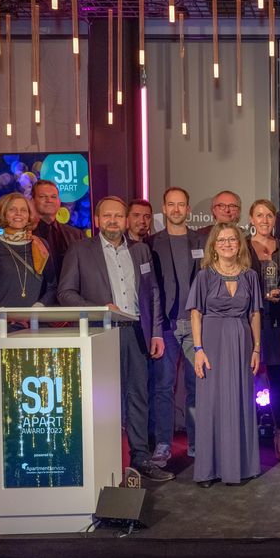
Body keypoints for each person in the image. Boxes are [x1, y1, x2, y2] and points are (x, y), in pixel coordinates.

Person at [58, 196, 171, 482]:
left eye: (118, 216)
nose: (113, 221)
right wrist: (99, 308)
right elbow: (65, 293)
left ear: (126, 220)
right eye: (107, 216)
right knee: (103, 399)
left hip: (136, 331)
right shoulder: (80, 250)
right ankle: (101, 461)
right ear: (97, 220)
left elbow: (153, 293)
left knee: (138, 396)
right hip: (100, 332)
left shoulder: (141, 250)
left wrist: (156, 332)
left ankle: (141, 459)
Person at [187, 222, 263, 487]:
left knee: (241, 400)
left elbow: (255, 314)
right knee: (211, 403)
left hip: (242, 342)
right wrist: (198, 350)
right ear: (214, 246)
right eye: (222, 240)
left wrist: (256, 348)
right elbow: (195, 314)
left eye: (232, 239)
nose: (227, 244)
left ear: (239, 244)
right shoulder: (204, 276)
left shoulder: (250, 276)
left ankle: (241, 466)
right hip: (212, 341)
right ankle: (209, 469)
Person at [148, 186, 204, 464]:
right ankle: (163, 444)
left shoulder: (200, 240)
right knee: (163, 386)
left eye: (181, 204)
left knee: (197, 386)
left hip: (195, 324)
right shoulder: (150, 243)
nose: (176, 209)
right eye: (171, 204)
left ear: (188, 209)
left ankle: (196, 443)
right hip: (166, 326)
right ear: (164, 208)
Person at [0, 192, 57, 353]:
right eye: (12, 210)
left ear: (29, 215)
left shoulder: (40, 245)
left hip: (34, 327)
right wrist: (0, 313)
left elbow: (52, 287)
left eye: (23, 210)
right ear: (3, 214)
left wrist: (36, 309)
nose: (18, 214)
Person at [250, 198, 280, 461]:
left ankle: (279, 431)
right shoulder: (242, 246)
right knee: (249, 379)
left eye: (269, 215)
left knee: (277, 381)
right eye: (259, 215)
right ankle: (246, 435)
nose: (264, 220)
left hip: (278, 320)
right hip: (250, 322)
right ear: (251, 219)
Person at [31, 179, 84, 263]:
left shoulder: (76, 235)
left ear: (59, 201)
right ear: (33, 201)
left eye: (53, 197)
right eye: (42, 196)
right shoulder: (24, 234)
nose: (49, 200)